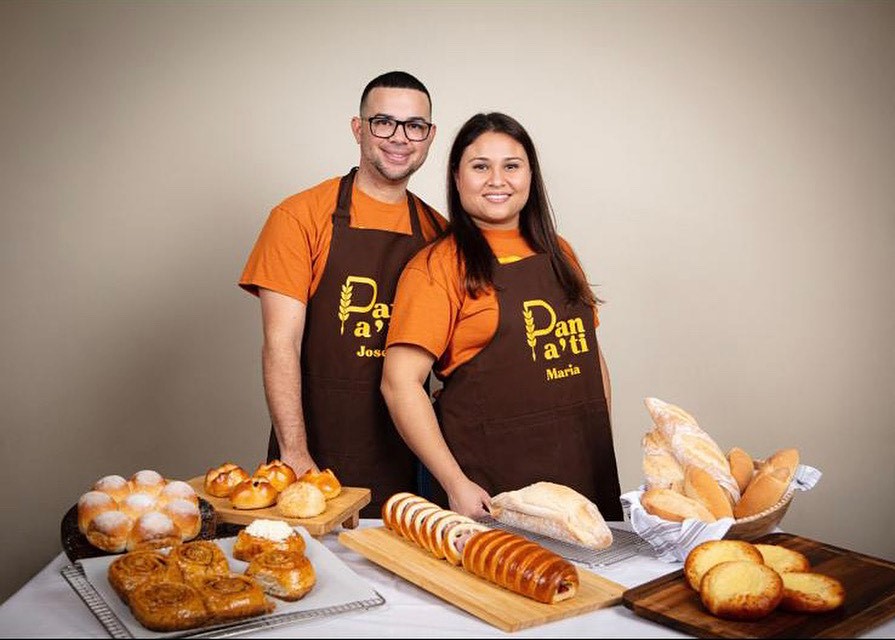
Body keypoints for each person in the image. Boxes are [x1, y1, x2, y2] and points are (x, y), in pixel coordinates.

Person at [381, 112, 623, 521]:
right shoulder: (438, 267)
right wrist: (455, 483)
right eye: (480, 167)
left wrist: (598, 445)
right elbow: (399, 385)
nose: (498, 180)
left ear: (531, 175)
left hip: (580, 478)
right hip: (490, 485)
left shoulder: (560, 253)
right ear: (457, 178)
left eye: (511, 166)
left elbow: (589, 359)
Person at [239, 71, 446, 517]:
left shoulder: (439, 234)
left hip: (408, 464)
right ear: (358, 128)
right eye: (383, 122)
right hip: (313, 457)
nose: (399, 137)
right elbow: (281, 344)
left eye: (414, 126)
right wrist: (295, 453)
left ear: (429, 137)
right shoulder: (298, 217)